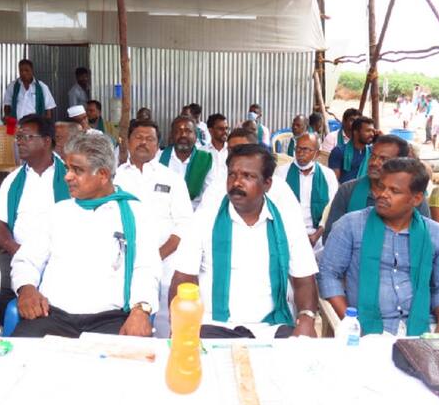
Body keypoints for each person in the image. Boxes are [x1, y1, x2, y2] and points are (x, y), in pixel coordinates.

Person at [10, 133, 160, 338]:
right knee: (18, 362)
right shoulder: (57, 212)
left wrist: (141, 310)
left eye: (77, 170)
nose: (67, 177)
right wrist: (26, 288)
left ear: (103, 175)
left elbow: (146, 268)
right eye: (68, 168)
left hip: (111, 319)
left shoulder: (136, 214)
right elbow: (27, 260)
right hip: (53, 316)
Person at [170, 143, 319, 339]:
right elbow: (182, 279)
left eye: (248, 176)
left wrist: (306, 319)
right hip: (213, 326)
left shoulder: (287, 221)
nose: (237, 183)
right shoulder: (205, 219)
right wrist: (181, 330)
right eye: (232, 175)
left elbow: (304, 281)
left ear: (267, 183)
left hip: (271, 327)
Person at [319, 158, 439, 336]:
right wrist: (349, 320)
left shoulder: (435, 233)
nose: (383, 194)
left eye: (394, 191)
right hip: (365, 328)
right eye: (381, 187)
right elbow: (328, 275)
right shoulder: (350, 225)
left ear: (416, 199)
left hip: (421, 326)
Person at [0, 115, 71, 322]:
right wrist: (14, 247)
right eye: (18, 137)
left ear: (47, 141)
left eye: (26, 137)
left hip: (62, 253)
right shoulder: (13, 180)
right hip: (18, 251)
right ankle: (24, 320)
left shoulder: (71, 176)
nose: (19, 142)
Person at [114, 119, 193, 337]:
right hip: (125, 261)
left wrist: (158, 255)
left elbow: (185, 223)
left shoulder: (172, 179)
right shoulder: (115, 179)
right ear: (127, 142)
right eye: (138, 137)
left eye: (150, 139)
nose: (143, 143)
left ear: (158, 145)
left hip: (166, 259)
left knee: (166, 321)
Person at [322, 134, 430, 244]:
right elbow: (330, 236)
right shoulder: (347, 191)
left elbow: (424, 238)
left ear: (399, 162)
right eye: (373, 156)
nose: (374, 163)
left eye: (383, 159)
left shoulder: (411, 196)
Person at [274, 133, 338, 251]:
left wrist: (317, 235)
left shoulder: (328, 175)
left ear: (317, 153)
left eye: (306, 149)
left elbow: (332, 208)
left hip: (317, 237)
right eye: (298, 148)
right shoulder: (281, 173)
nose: (301, 153)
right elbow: (275, 206)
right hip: (288, 235)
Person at [157, 116, 216, 210]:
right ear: (171, 135)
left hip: (195, 215)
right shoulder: (158, 158)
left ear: (196, 136)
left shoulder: (205, 160)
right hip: (163, 214)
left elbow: (210, 196)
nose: (183, 134)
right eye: (178, 131)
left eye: (188, 131)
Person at [328, 116, 375, 183]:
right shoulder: (339, 151)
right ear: (355, 132)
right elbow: (333, 182)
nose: (372, 134)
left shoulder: (372, 153)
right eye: (368, 131)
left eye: (373, 131)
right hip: (344, 191)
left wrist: (381, 138)